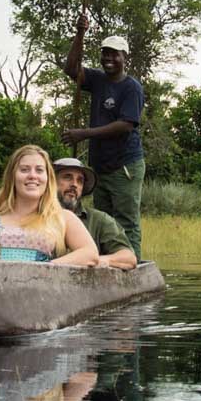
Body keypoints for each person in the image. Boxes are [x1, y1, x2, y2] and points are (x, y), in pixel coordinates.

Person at [62, 13, 145, 259]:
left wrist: (83, 134)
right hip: (101, 166)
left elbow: (125, 125)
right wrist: (80, 34)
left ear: (124, 57)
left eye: (114, 54)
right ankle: (105, 264)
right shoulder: (97, 80)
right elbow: (71, 69)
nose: (109, 58)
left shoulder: (132, 87)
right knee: (103, 222)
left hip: (125, 166)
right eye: (105, 53)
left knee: (127, 221)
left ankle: (132, 266)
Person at [0, 145, 98, 265]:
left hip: (41, 297)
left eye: (39, 170)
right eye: (24, 169)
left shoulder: (62, 218)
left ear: (48, 179)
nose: (32, 175)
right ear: (12, 177)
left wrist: (46, 269)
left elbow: (90, 253)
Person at [52, 156, 138, 269]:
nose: (74, 184)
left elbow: (129, 258)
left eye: (80, 180)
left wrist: (93, 260)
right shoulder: (34, 217)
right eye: (67, 177)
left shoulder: (99, 220)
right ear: (51, 182)